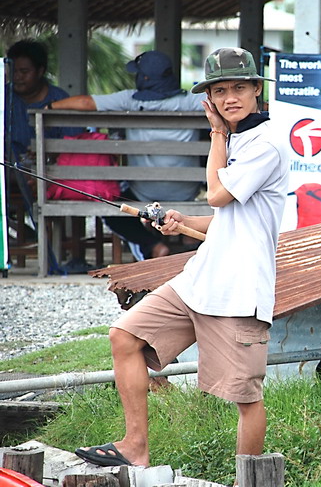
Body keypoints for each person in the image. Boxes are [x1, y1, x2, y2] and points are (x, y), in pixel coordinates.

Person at [75, 47, 288, 468]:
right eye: (220, 90)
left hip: (240, 290)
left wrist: (215, 135)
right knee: (124, 336)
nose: (230, 98)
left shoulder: (267, 142)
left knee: (245, 397)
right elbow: (226, 216)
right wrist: (182, 220)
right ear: (210, 96)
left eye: (239, 88)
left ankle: (248, 479)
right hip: (199, 279)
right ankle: (135, 445)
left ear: (257, 91)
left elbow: (218, 195)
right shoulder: (239, 137)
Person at [50, 50, 204, 260]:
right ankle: (192, 242)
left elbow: (86, 103)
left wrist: (49, 106)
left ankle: (153, 245)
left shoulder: (129, 100)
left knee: (113, 209)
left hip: (142, 192)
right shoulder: (192, 101)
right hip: (187, 190)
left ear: (144, 78)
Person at [5, 40, 83, 162]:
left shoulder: (60, 99)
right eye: (13, 71)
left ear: (40, 71)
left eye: (24, 72)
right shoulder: (2, 97)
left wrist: (49, 156)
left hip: (51, 174)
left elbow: (73, 144)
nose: (17, 77)